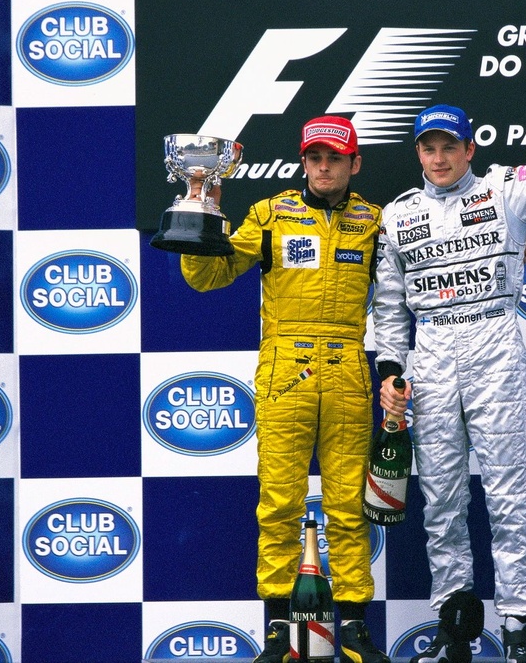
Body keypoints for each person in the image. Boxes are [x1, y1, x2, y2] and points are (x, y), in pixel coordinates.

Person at [372, 27, 526, 663]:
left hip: (493, 339)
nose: (439, 158)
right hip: (430, 352)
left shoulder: (505, 191)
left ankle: (519, 628)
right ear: (418, 153)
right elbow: (388, 307)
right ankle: (454, 627)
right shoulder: (397, 215)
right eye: (428, 148)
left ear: (469, 148)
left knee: (508, 488)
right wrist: (391, 370)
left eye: (449, 146)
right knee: (441, 497)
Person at [180, 116, 390, 663]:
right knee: (278, 503)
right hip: (284, 369)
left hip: (347, 369)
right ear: (304, 161)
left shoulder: (375, 221)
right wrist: (203, 213)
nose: (324, 167)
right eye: (315, 157)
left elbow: (406, 292)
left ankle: (355, 629)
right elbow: (205, 277)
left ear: (354, 163)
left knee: (349, 505)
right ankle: (278, 629)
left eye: (335, 158)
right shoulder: (270, 214)